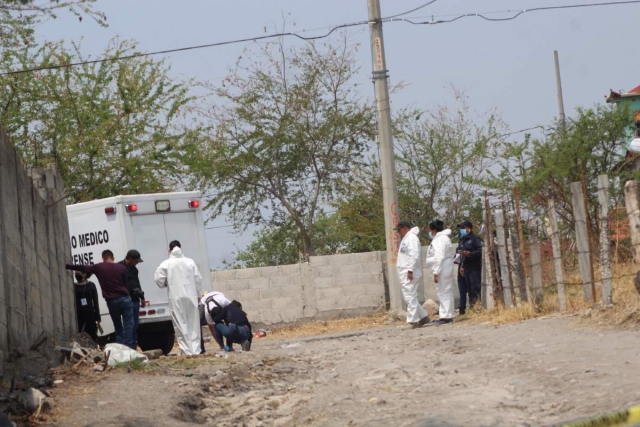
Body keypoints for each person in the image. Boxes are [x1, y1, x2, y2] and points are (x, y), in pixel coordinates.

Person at [66, 250, 134, 348]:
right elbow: (125, 284)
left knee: (118, 325)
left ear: (103, 258)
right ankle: (130, 348)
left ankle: (121, 348)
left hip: (112, 301)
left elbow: (81, 267)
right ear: (113, 258)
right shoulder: (122, 268)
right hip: (124, 298)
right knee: (128, 324)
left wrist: (68, 266)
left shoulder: (98, 267)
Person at [154, 240, 203, 355]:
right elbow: (198, 279)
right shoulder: (190, 262)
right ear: (181, 248)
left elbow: (159, 280)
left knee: (180, 323)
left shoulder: (166, 264)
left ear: (169, 250)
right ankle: (195, 350)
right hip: (191, 296)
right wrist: (198, 294)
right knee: (193, 323)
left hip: (176, 297)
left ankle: (186, 350)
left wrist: (167, 283)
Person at [395, 220, 430, 328]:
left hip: (410, 271)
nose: (398, 232)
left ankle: (413, 321)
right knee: (409, 296)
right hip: (406, 271)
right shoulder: (407, 238)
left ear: (405, 228)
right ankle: (424, 317)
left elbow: (413, 255)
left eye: (399, 230)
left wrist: (410, 270)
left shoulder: (412, 238)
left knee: (410, 296)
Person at [425, 220, 455, 325]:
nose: (430, 232)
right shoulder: (441, 239)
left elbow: (439, 256)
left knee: (444, 292)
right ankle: (446, 315)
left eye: (430, 230)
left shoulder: (440, 239)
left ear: (433, 230)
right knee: (445, 291)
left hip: (442, 268)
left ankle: (446, 317)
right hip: (443, 267)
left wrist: (436, 272)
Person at [118, 250, 146, 349]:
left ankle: (133, 347)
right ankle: (128, 347)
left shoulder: (134, 269)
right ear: (129, 258)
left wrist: (142, 297)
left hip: (135, 300)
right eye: (135, 261)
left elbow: (137, 283)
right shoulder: (120, 267)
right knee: (129, 325)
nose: (137, 263)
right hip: (126, 299)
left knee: (135, 325)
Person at [457, 220, 484, 314]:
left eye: (463, 228)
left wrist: (470, 254)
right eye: (461, 228)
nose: (461, 230)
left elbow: (481, 251)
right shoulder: (462, 240)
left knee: (475, 288)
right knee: (469, 289)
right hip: (465, 267)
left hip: (474, 267)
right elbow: (459, 253)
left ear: (469, 228)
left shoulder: (475, 239)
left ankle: (478, 307)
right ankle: (472, 308)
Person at [74, 271, 101, 342]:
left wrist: (97, 316)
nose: (77, 274)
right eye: (76, 273)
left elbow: (95, 301)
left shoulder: (91, 285)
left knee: (91, 332)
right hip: (78, 313)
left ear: (85, 274)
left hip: (90, 313)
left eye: (79, 273)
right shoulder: (73, 285)